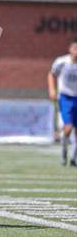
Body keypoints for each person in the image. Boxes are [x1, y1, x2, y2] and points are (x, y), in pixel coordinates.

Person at [48, 37, 77, 167]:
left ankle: (72, 159)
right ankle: (64, 153)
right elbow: (51, 74)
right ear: (70, 49)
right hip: (65, 98)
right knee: (68, 128)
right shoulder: (61, 62)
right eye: (75, 48)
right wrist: (52, 90)